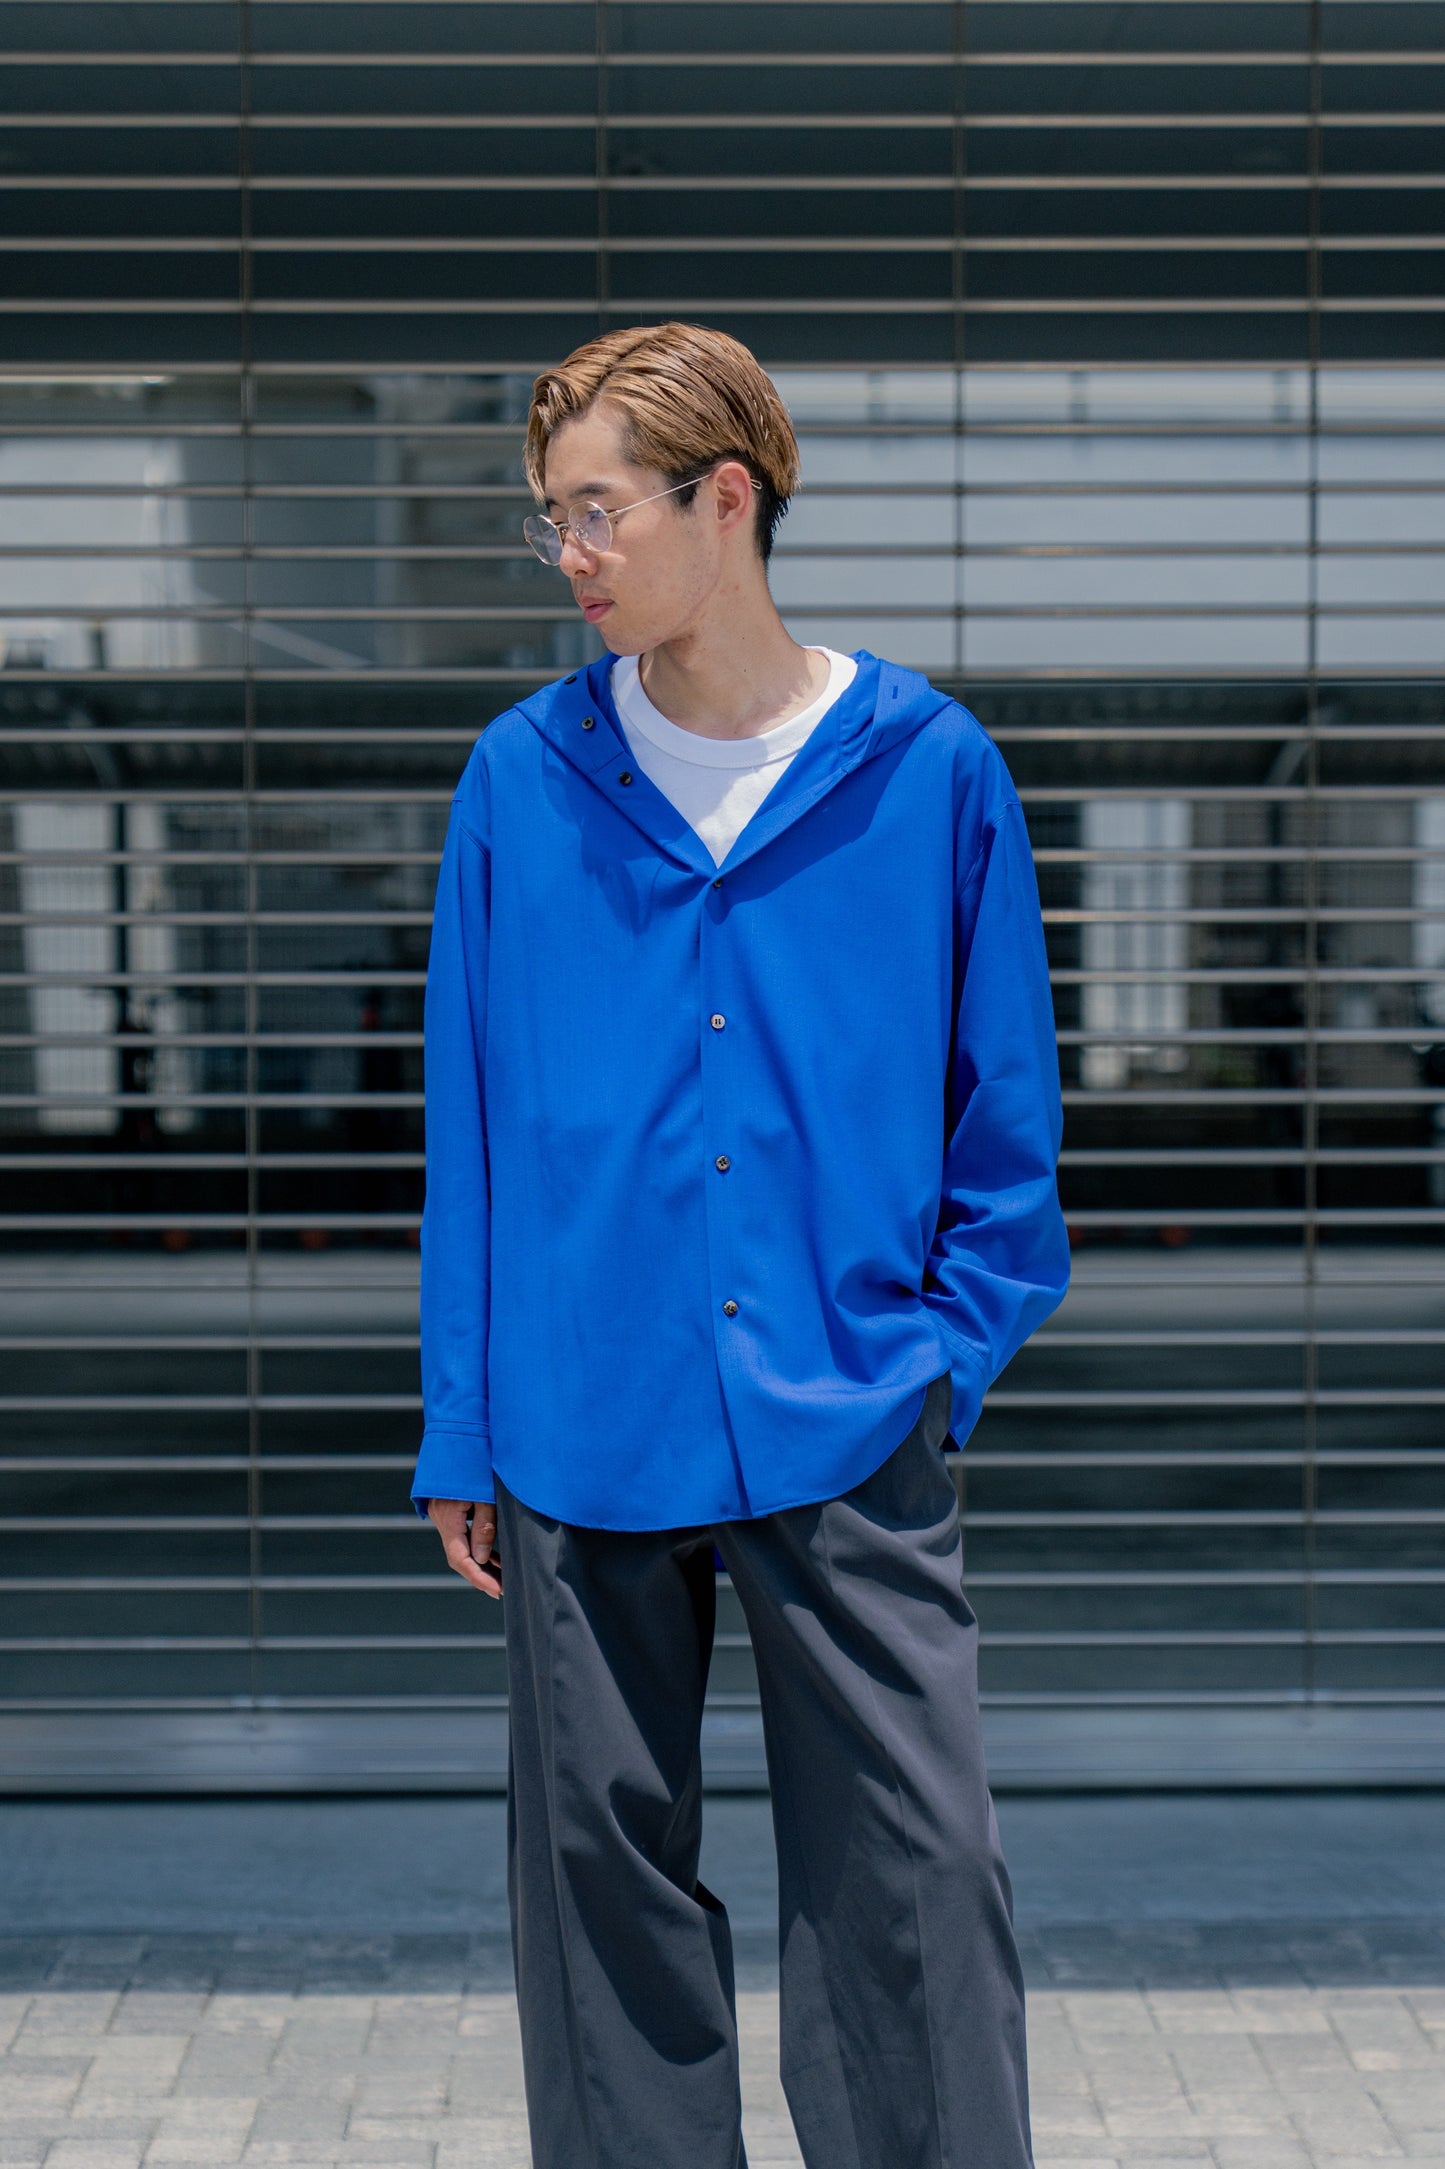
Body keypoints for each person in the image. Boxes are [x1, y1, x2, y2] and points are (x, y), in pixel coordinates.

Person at [410, 319, 1070, 2169]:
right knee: (599, 1906)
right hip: (577, 1421)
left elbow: (1005, 1137)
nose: (569, 553)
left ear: (725, 499)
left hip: (847, 1417)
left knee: (914, 1890)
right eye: (550, 517)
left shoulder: (926, 771)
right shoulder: (519, 781)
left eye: (595, 509)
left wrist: (935, 1362)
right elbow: (470, 1130)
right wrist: (461, 1423)